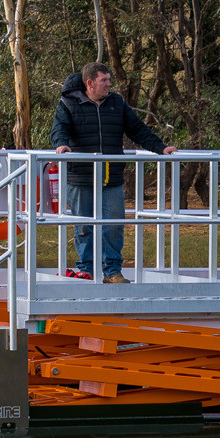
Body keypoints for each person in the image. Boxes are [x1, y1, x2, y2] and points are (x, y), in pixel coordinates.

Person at [51, 62, 177, 284]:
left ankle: (112, 271)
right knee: (84, 226)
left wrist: (160, 147)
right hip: (81, 176)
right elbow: (59, 129)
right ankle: (86, 270)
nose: (109, 84)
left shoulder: (116, 103)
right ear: (90, 83)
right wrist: (62, 145)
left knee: (114, 225)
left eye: (109, 80)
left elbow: (137, 129)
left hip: (111, 177)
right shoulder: (68, 103)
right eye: (104, 80)